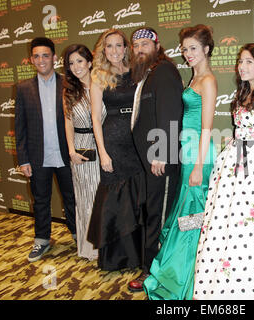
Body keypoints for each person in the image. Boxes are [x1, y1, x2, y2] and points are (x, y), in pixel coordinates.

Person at [193, 43, 254, 300]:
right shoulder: (243, 94)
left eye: (249, 62)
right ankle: (222, 290)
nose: (242, 67)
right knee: (223, 228)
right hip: (233, 168)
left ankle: (247, 291)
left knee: (247, 233)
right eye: (241, 61)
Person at [143, 24, 217, 300]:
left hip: (198, 155)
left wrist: (198, 166)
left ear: (207, 49)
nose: (187, 54)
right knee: (187, 215)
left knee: (192, 215)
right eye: (185, 49)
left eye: (193, 48)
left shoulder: (207, 80)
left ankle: (187, 279)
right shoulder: (194, 77)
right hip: (188, 152)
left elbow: (207, 128)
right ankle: (185, 273)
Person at [127, 28, 183, 292]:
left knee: (159, 219)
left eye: (145, 43)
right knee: (153, 215)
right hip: (149, 161)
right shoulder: (147, 74)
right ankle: (156, 267)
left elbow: (171, 114)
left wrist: (162, 152)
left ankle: (152, 273)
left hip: (162, 160)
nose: (139, 49)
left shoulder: (164, 71)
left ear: (157, 45)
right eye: (136, 44)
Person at [86, 29, 145, 271]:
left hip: (136, 139)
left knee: (136, 196)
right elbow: (94, 118)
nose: (114, 50)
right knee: (114, 199)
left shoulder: (136, 72)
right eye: (109, 46)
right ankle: (115, 258)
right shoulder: (98, 76)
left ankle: (138, 255)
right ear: (103, 50)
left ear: (126, 48)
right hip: (112, 140)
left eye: (119, 45)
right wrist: (102, 152)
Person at [15, 37, 76, 262]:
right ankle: (41, 240)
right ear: (31, 60)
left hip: (66, 154)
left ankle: (78, 236)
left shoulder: (68, 84)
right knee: (40, 200)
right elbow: (19, 126)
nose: (41, 60)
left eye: (46, 55)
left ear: (54, 58)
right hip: (38, 157)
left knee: (72, 198)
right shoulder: (23, 88)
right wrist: (23, 159)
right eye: (37, 56)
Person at [63, 44, 106, 261]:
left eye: (79, 61)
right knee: (86, 198)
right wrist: (71, 150)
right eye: (71, 63)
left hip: (105, 147)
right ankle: (90, 248)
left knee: (104, 199)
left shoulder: (104, 85)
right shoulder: (70, 92)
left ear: (90, 62)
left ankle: (107, 247)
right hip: (81, 149)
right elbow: (68, 122)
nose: (76, 67)